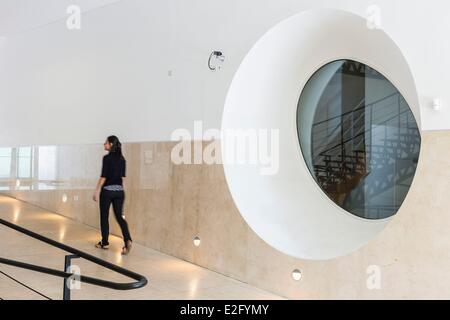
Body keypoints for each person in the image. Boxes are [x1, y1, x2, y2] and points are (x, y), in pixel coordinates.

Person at [93, 135, 132, 255]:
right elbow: (123, 178)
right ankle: (127, 240)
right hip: (119, 192)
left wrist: (96, 190)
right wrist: (120, 190)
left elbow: (103, 177)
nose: (104, 144)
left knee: (104, 216)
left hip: (107, 192)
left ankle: (104, 243)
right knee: (120, 217)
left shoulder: (107, 158)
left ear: (110, 145)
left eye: (105, 143)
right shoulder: (122, 159)